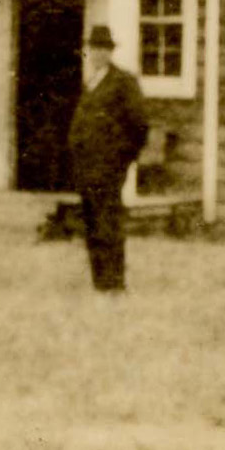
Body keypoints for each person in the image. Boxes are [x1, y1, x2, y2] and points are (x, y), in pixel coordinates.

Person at [68, 24, 150, 293]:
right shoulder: (91, 83)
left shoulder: (123, 82)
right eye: (94, 48)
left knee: (109, 221)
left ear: (110, 52)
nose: (97, 53)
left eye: (103, 48)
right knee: (92, 222)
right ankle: (99, 281)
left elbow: (139, 125)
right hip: (87, 168)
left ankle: (114, 282)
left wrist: (122, 159)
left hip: (109, 168)